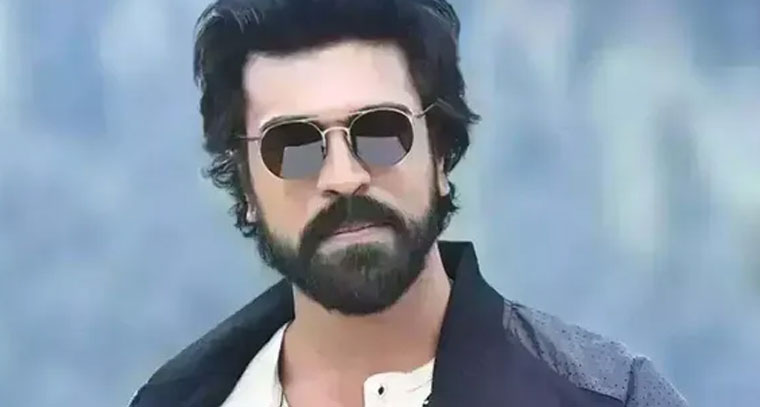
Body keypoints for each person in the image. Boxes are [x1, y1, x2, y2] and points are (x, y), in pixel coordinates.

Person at [130, 0, 688, 406]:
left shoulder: (611, 398)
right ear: (246, 185)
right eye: (293, 145)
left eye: (381, 132)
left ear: (440, 154)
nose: (345, 177)